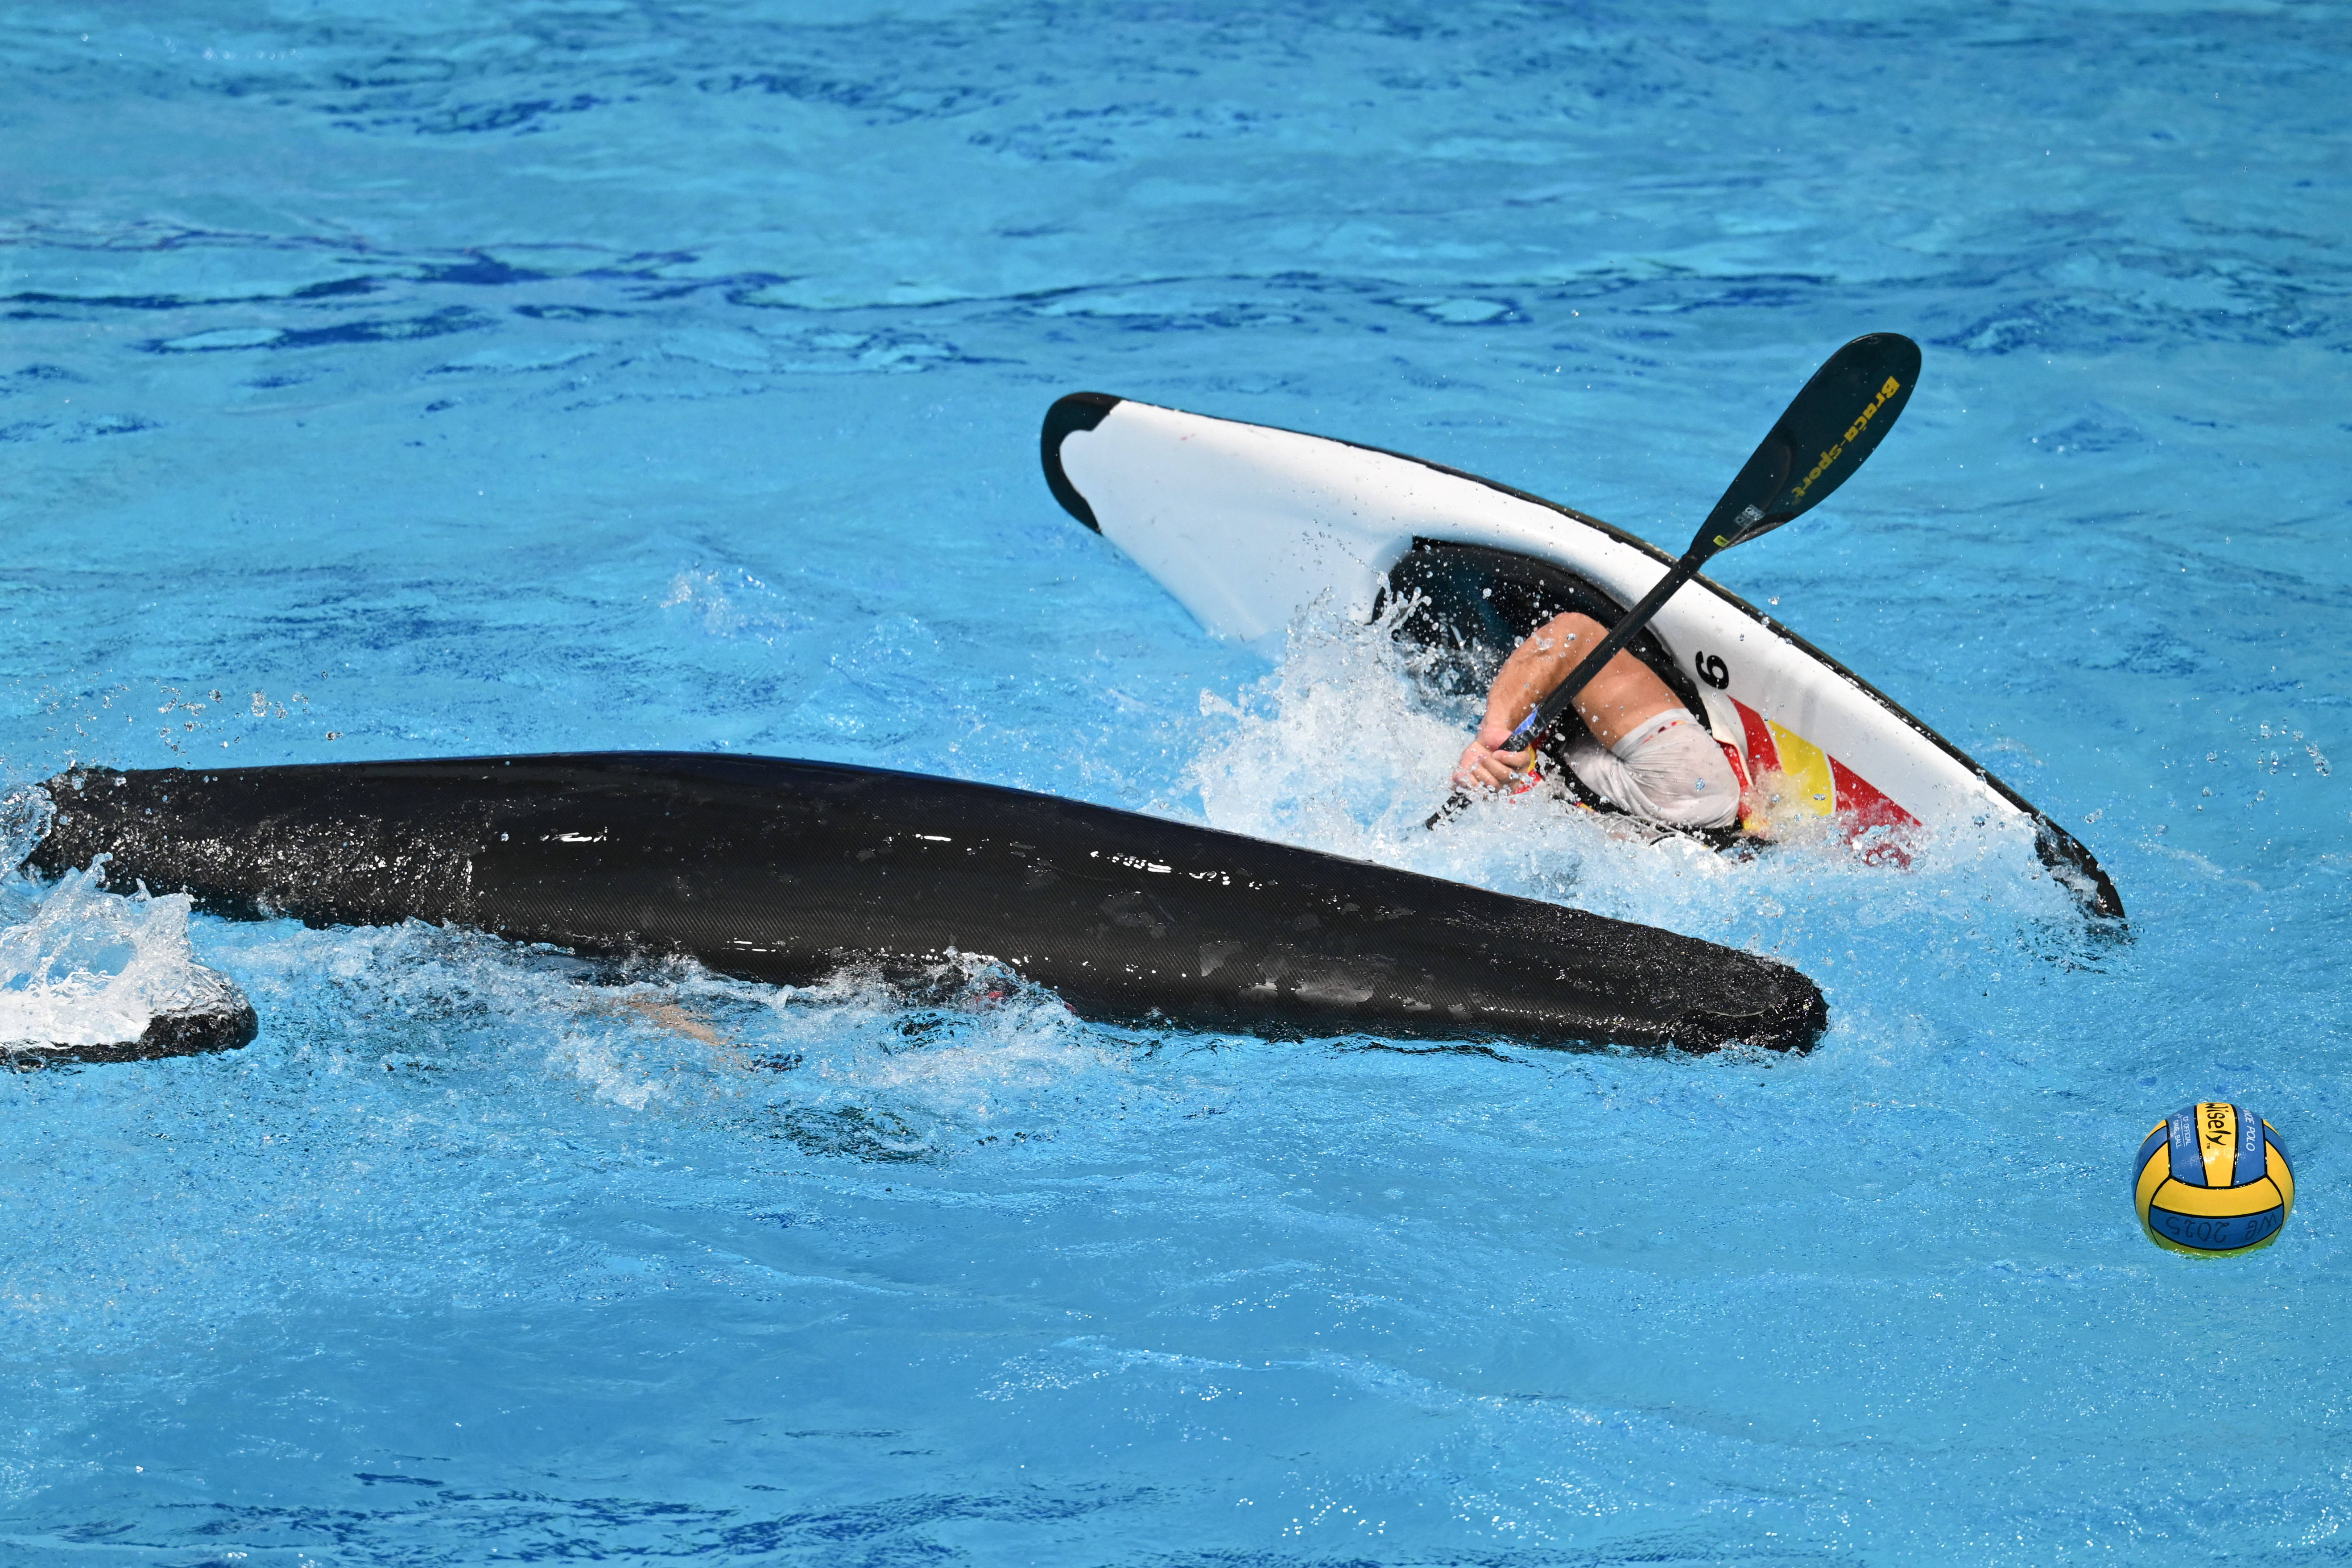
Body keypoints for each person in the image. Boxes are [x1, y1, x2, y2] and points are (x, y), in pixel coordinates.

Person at [1450, 612, 1744, 831]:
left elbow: (1574, 636)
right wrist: (1489, 753)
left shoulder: (1689, 775)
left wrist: (1492, 733)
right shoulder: (1519, 767)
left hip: (1689, 794)